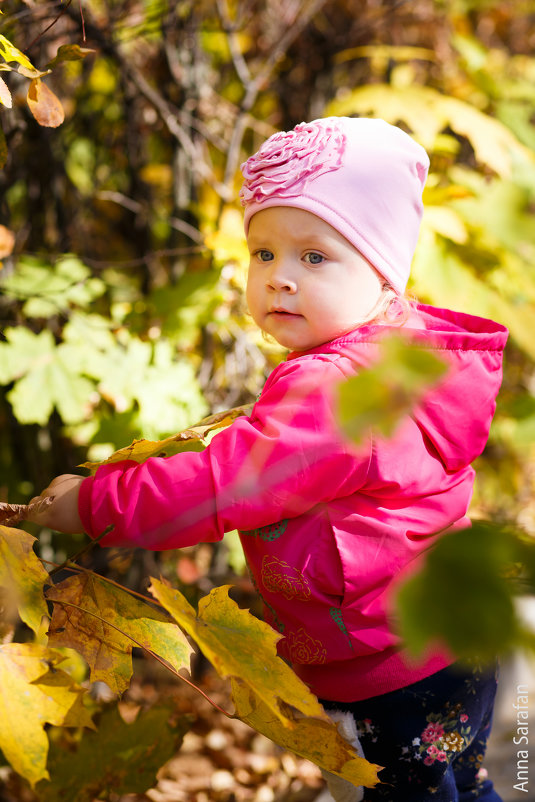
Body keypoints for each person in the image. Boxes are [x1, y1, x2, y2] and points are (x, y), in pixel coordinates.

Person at [28, 117, 508, 801]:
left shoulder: (336, 390)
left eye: (313, 257)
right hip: (438, 645)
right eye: (262, 253)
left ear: (382, 272)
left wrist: (96, 502)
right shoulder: (399, 355)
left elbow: (226, 484)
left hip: (395, 669)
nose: (279, 278)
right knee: (453, 787)